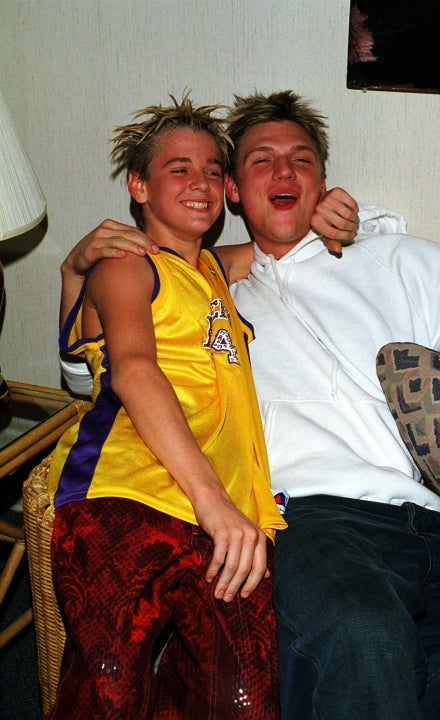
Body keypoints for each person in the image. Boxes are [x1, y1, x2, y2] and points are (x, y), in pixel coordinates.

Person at [62, 90, 440, 719]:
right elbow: (95, 374)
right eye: (261, 160)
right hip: (314, 521)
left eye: (302, 160)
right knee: (364, 638)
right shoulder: (215, 287)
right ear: (236, 191)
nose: (284, 171)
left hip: (436, 521)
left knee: (404, 667)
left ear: (323, 182)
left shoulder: (394, 263)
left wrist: (366, 222)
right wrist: (74, 273)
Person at [46, 95, 287, 720]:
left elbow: (276, 241)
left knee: (243, 701)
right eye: (178, 169)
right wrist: (213, 502)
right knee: (109, 691)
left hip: (227, 520)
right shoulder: (125, 265)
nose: (200, 182)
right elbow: (132, 369)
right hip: (129, 496)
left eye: (212, 170)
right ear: (139, 187)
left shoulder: (214, 270)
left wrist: (328, 208)